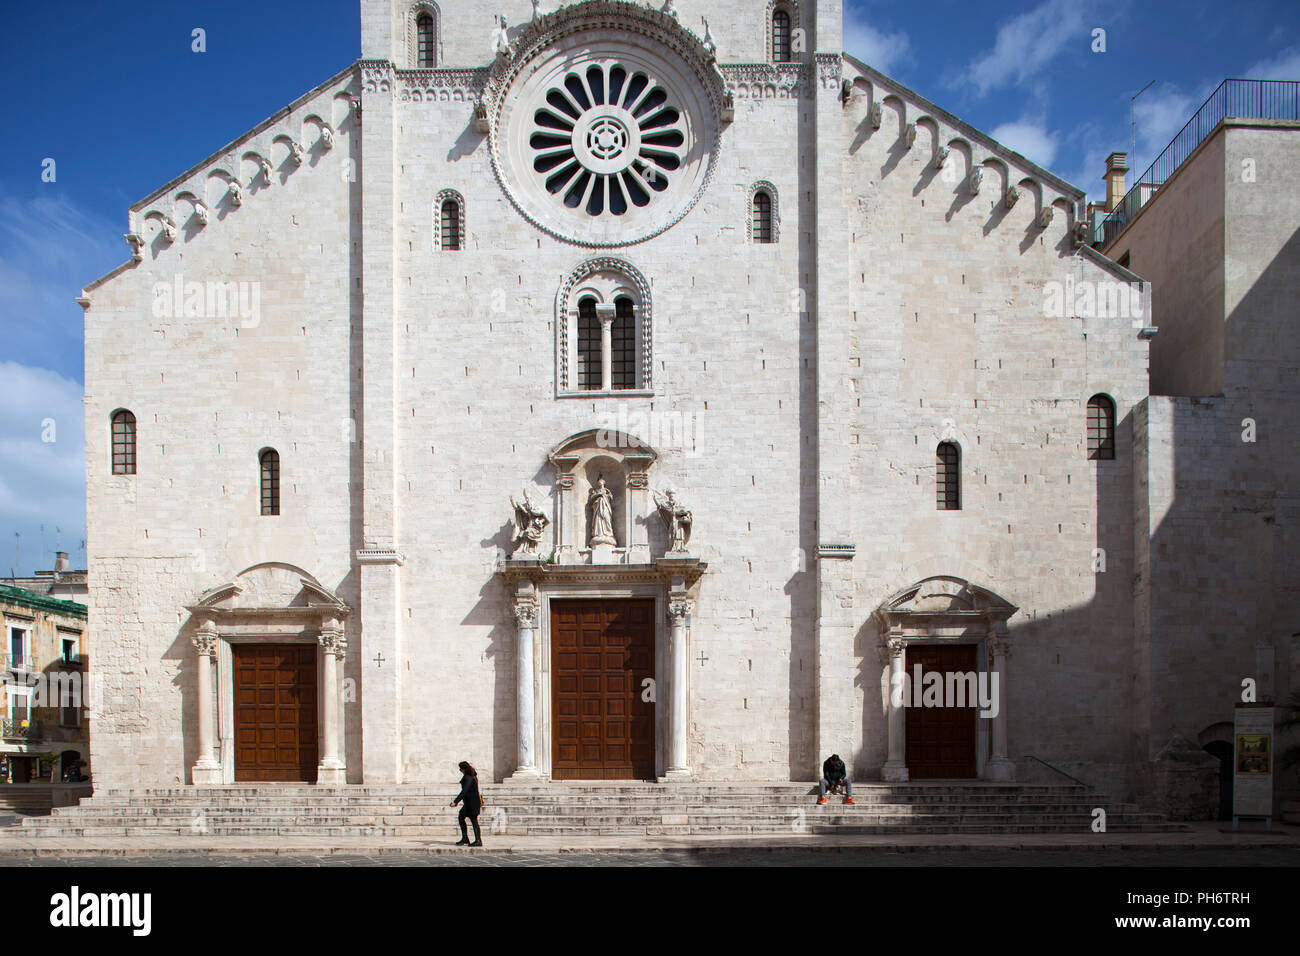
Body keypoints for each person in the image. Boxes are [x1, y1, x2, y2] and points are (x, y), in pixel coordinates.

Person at [450, 761, 484, 846]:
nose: (460, 771)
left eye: (460, 769)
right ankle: (466, 838)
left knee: (473, 820)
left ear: (464, 769)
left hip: (472, 803)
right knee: (462, 817)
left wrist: (456, 801)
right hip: (470, 803)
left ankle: (478, 840)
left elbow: (464, 791)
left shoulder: (469, 777)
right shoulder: (472, 776)